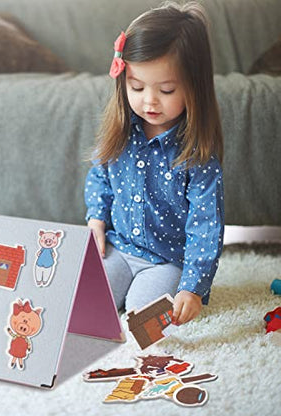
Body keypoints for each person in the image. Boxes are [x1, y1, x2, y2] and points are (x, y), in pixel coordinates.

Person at [84, 2, 224, 326]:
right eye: (137, 87)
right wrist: (96, 222)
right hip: (119, 249)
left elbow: (207, 226)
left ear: (193, 88)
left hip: (166, 262)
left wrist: (193, 287)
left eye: (166, 90)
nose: (149, 101)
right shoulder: (121, 131)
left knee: (142, 316)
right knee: (87, 299)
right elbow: (99, 178)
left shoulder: (197, 154)